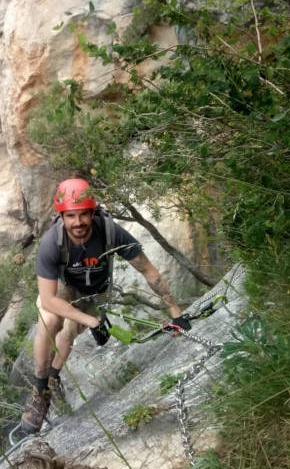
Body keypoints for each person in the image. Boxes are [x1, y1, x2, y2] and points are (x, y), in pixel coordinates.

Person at [21, 178, 190, 434]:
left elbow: (148, 270)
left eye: (83, 215)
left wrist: (176, 313)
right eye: (71, 216)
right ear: (62, 216)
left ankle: (54, 379)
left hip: (96, 292)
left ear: (93, 213)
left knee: (69, 334)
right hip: (65, 288)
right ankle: (40, 389)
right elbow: (47, 299)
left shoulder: (110, 232)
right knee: (51, 320)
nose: (78, 223)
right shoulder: (51, 243)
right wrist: (92, 322)